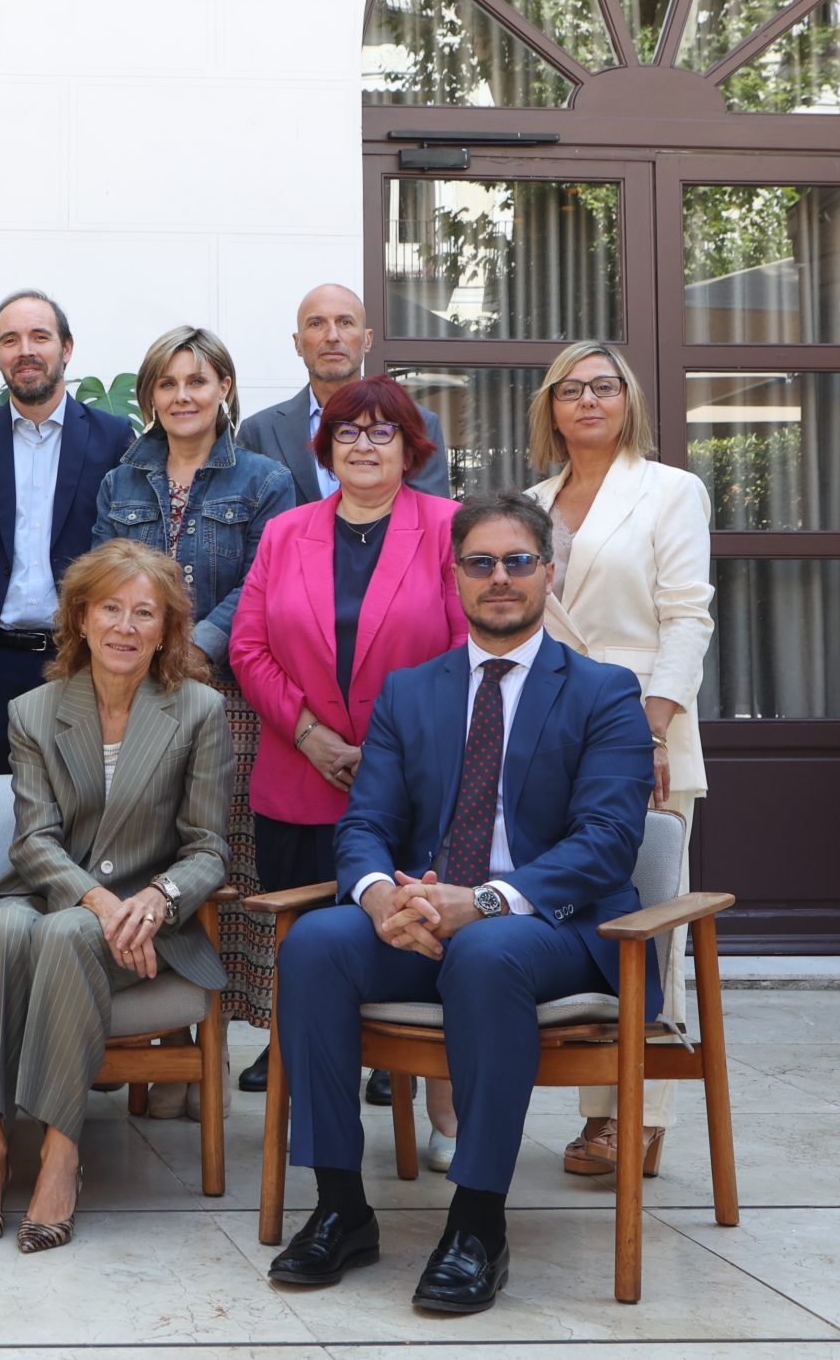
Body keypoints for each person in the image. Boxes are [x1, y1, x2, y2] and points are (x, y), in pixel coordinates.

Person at [266, 491, 658, 1316]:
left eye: (519, 560)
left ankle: (477, 1221)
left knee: (485, 950)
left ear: (550, 571)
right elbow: (367, 823)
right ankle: (341, 1203)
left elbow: (607, 842)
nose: (501, 578)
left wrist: (479, 901)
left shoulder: (604, 691)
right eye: (480, 563)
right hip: (424, 919)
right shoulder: (412, 693)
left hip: (563, 932)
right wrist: (379, 900)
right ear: (456, 579)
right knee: (314, 944)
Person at [0, 539, 232, 1254]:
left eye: (145, 612)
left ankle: (59, 1152)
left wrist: (159, 897)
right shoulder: (33, 710)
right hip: (48, 889)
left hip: (147, 917)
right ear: (79, 618)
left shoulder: (199, 710)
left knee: (62, 934)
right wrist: (101, 901)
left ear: (167, 629)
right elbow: (34, 842)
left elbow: (208, 847)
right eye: (110, 607)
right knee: (4, 929)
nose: (125, 626)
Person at [230, 375, 465, 1153]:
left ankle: (446, 1114)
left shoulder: (449, 527)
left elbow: (468, 650)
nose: (364, 445)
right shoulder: (286, 531)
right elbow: (249, 645)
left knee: (431, 942)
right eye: (348, 432)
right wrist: (310, 735)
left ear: (411, 447)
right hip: (300, 778)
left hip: (418, 785)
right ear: (325, 448)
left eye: (382, 432)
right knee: (310, 957)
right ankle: (319, 1115)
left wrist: (391, 749)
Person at [523, 341, 714, 1181]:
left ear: (628, 399)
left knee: (647, 920)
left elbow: (688, 616)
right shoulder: (531, 502)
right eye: (572, 389)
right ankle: (589, 1084)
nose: (588, 401)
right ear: (552, 407)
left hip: (646, 719)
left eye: (604, 387)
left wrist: (651, 727)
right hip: (550, 729)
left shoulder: (671, 489)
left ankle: (633, 1111)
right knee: (572, 913)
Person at [89, 325, 291, 1099]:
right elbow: (106, 574)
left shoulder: (266, 479)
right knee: (145, 849)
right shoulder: (120, 483)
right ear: (150, 396)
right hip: (134, 691)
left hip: (223, 694)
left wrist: (196, 641)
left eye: (197, 382)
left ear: (224, 391)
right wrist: (148, 647)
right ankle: (156, 1030)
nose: (183, 396)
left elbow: (266, 581)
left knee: (218, 860)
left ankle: (209, 1039)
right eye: (168, 384)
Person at [0, 291, 138, 774]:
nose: (25, 350)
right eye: (10, 340)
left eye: (40, 336)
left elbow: (125, 550)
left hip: (79, 659)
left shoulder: (113, 438)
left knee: (81, 802)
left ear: (66, 348)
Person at [238, 282, 451, 506]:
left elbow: (431, 523)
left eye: (345, 322)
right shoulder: (259, 433)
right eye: (316, 323)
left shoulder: (418, 424)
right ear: (298, 343)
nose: (332, 336)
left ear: (367, 339)